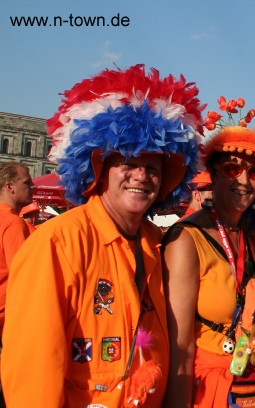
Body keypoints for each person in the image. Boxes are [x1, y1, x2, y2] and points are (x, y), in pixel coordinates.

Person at [1, 65, 202, 407]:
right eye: (127, 162)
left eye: (152, 167)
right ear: (99, 169)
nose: (141, 176)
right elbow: (32, 371)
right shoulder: (57, 243)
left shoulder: (157, 243)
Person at [162, 124, 255, 407]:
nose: (244, 180)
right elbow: (179, 347)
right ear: (215, 174)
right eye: (233, 168)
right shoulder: (186, 239)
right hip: (209, 389)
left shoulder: (252, 241)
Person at [0, 162, 33, 335]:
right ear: (10, 187)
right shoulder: (13, 223)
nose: (32, 187)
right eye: (26, 183)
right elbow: (22, 276)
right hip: (5, 319)